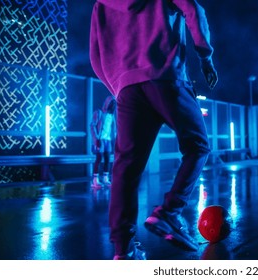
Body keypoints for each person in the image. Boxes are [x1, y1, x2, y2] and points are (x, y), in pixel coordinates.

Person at [89, 0, 218, 260]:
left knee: (126, 167)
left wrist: (118, 84)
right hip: (165, 75)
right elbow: (193, 10)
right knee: (197, 146)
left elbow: (95, 53)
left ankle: (123, 250)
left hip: (127, 87)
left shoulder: (101, 4)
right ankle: (168, 213)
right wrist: (205, 56)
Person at [90, 95, 116, 188]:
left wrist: (115, 139)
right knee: (99, 158)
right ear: (107, 103)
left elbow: (114, 129)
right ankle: (95, 181)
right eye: (111, 103)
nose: (112, 105)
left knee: (108, 160)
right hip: (100, 139)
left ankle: (105, 179)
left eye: (114, 103)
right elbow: (92, 126)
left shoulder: (111, 116)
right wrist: (96, 139)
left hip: (108, 140)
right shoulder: (99, 112)